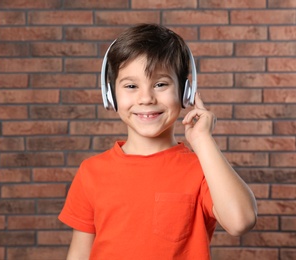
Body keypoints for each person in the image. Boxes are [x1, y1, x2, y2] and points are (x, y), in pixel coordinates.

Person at [58, 23, 257, 260]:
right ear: (110, 95)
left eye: (161, 84)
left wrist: (202, 140)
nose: (146, 98)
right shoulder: (91, 172)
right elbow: (80, 253)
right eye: (131, 86)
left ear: (186, 92)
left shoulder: (203, 170)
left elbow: (240, 221)